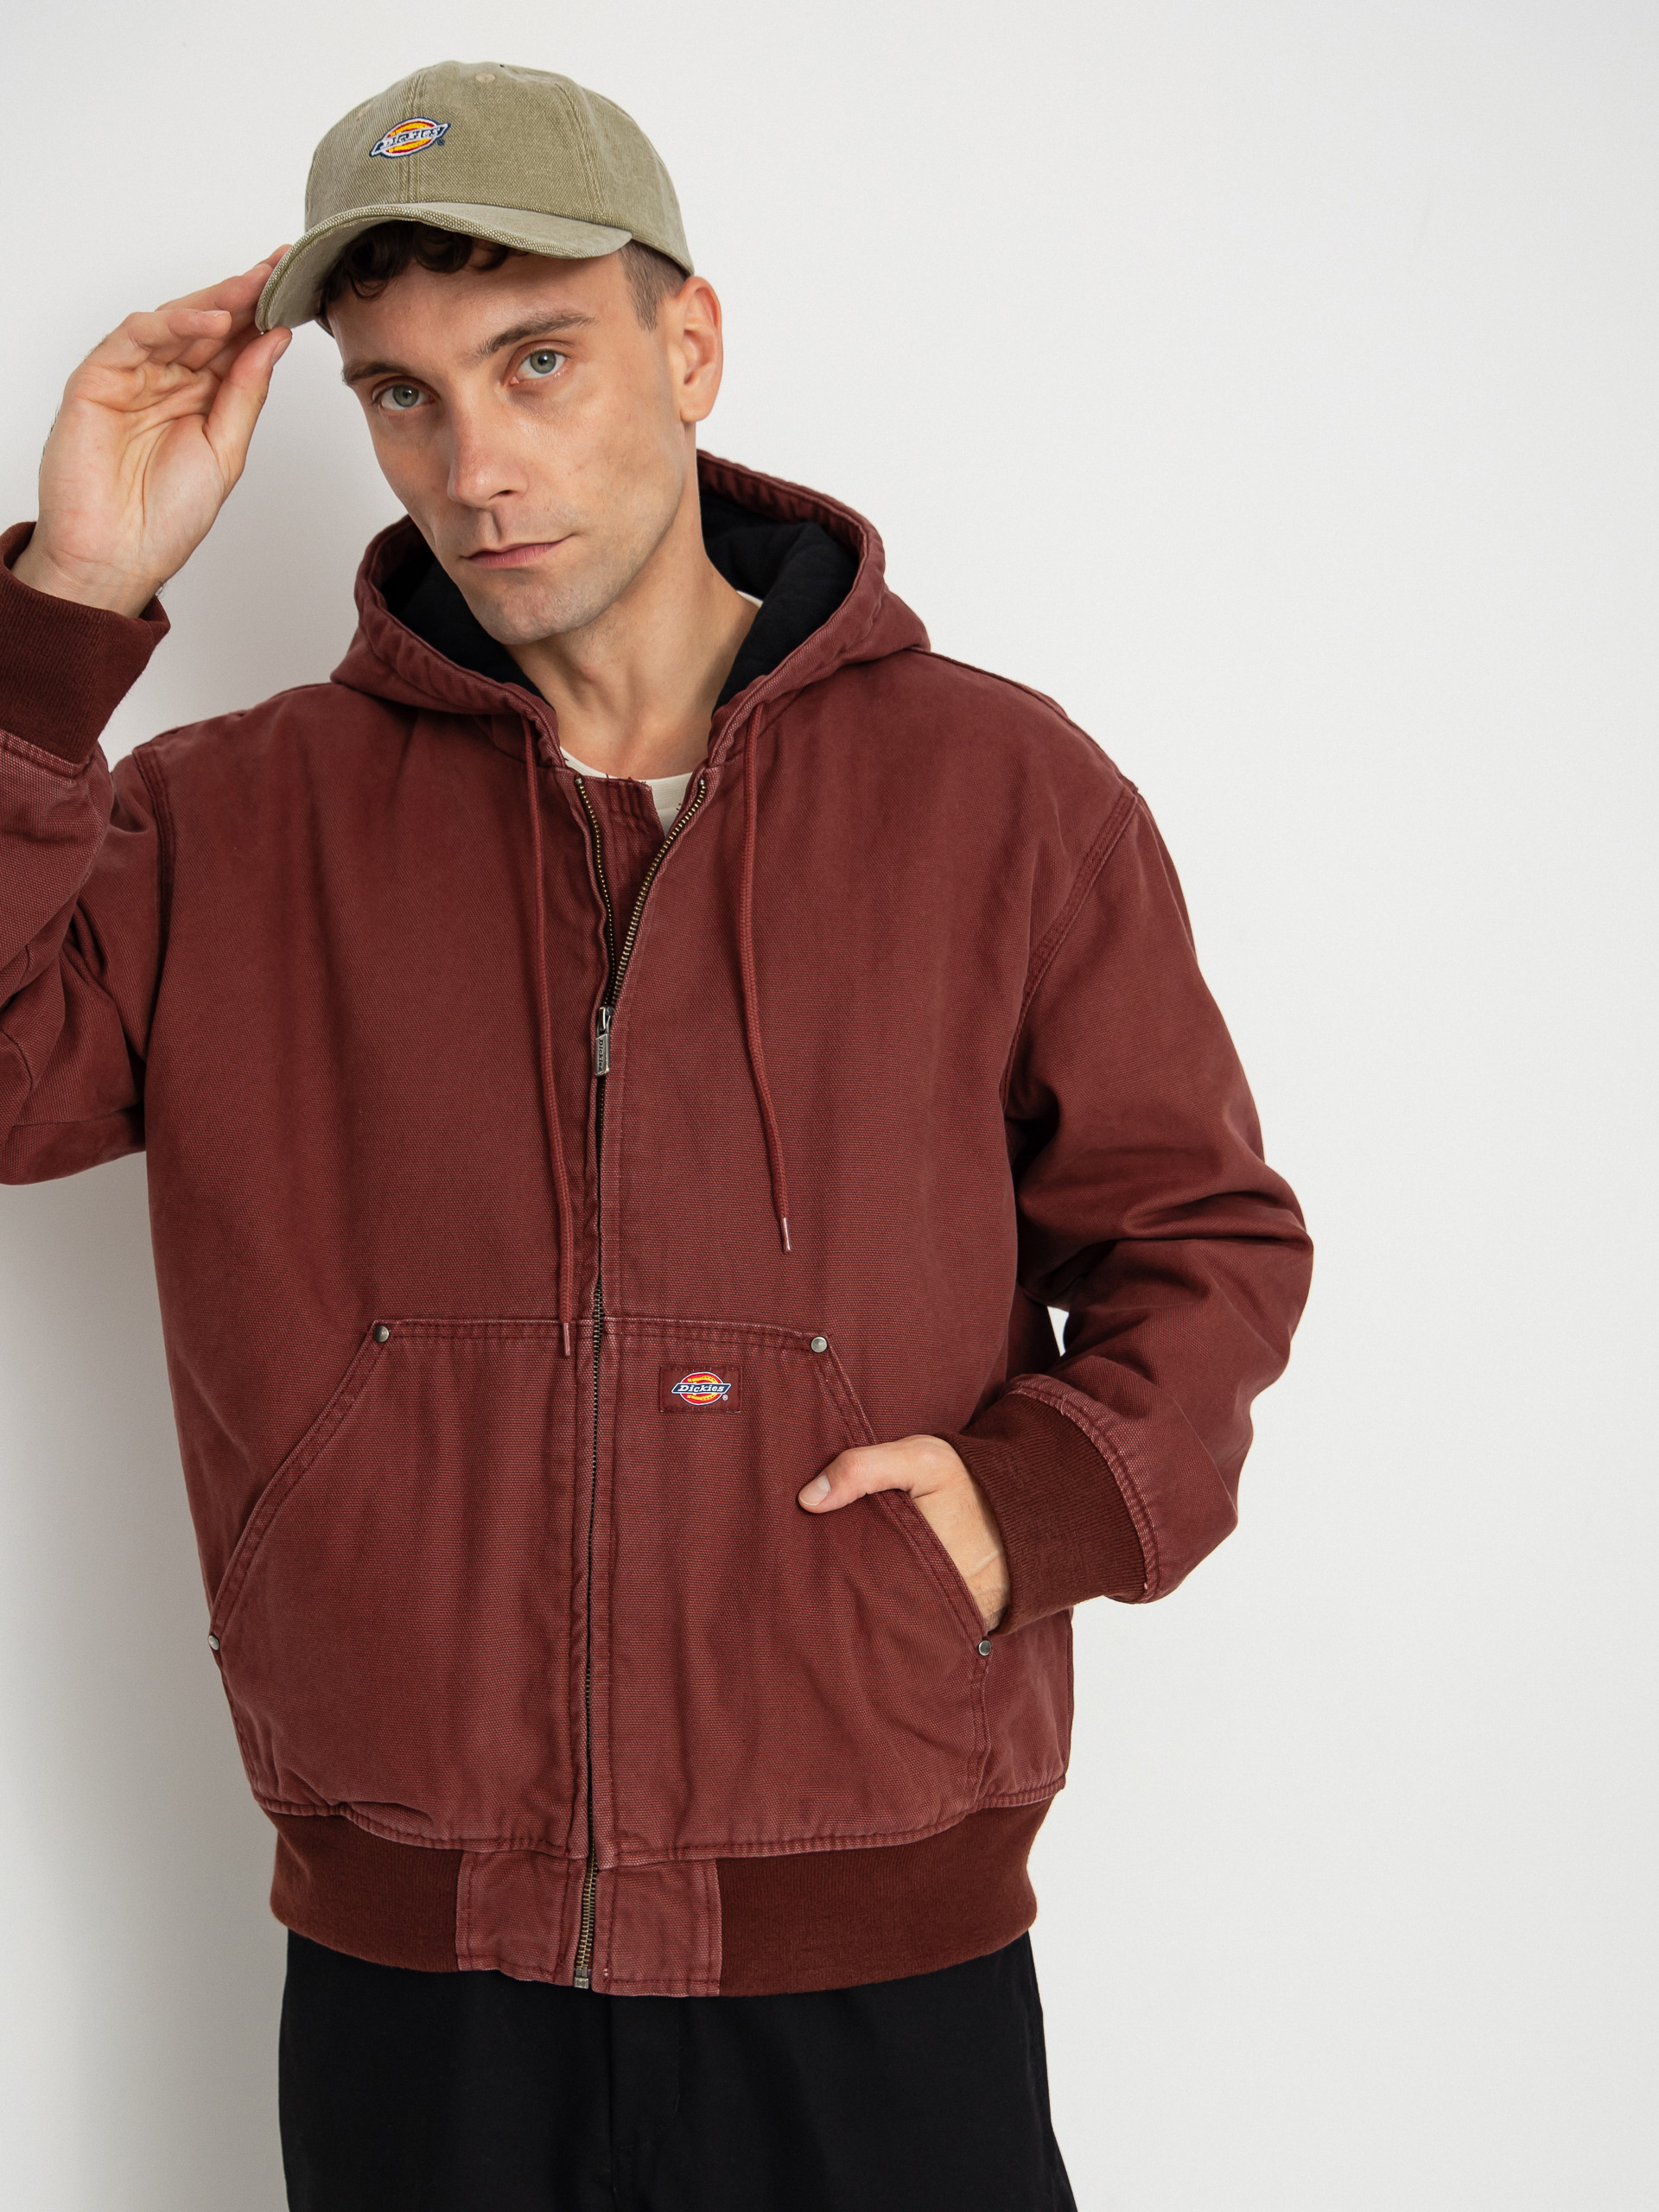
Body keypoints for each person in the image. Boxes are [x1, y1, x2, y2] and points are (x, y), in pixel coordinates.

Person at [0, 59, 1313, 2212]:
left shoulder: (1001, 795)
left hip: (873, 1931)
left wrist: (1031, 1510)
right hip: (418, 1962)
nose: (477, 464)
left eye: (538, 359)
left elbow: (1205, 1238)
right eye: (403, 394)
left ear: (687, 344)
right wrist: (65, 606)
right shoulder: (233, 820)